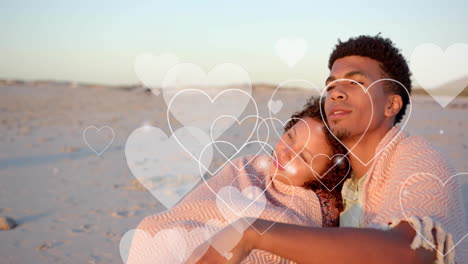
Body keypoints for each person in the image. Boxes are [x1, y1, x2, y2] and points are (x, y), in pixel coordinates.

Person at [190, 35, 467, 264]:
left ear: (391, 105)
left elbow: (412, 251)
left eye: (356, 82)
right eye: (331, 85)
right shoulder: (335, 184)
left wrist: (253, 233)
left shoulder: (418, 159)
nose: (336, 92)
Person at [127, 97, 350, 264]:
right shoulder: (249, 166)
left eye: (303, 157)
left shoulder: (310, 209)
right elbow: (195, 208)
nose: (285, 152)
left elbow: (285, 246)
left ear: (327, 175)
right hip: (189, 238)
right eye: (290, 136)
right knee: (155, 231)